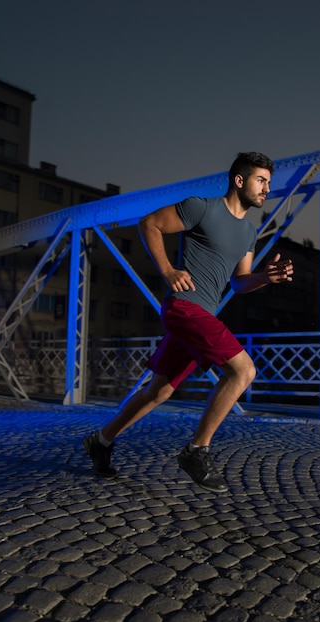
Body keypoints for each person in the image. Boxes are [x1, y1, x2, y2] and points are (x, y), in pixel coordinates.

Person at [83, 152, 293, 492]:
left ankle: (101, 441)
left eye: (269, 182)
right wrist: (167, 270)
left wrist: (265, 278)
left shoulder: (249, 231)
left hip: (203, 315)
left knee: (160, 391)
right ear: (239, 180)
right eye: (261, 180)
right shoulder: (202, 208)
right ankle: (197, 450)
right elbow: (149, 223)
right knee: (243, 371)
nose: (267, 188)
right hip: (184, 308)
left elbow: (239, 283)